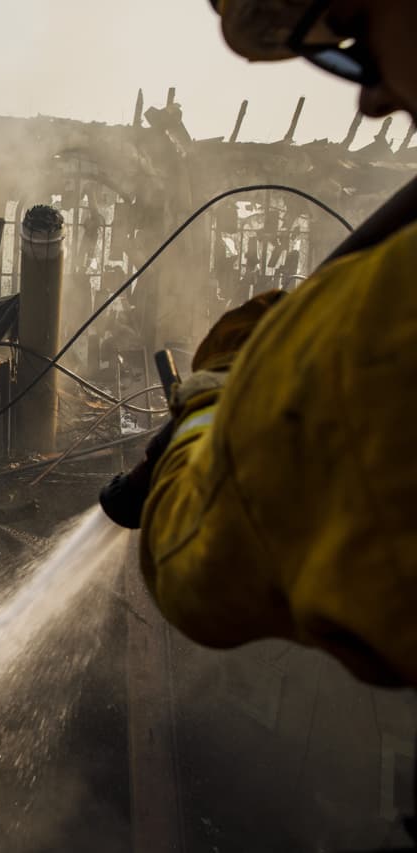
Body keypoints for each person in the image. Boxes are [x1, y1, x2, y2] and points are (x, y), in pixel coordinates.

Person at [109, 0, 417, 687]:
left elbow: (198, 564)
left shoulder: (379, 327)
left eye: (359, 40)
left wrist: (211, 402)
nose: (371, 97)